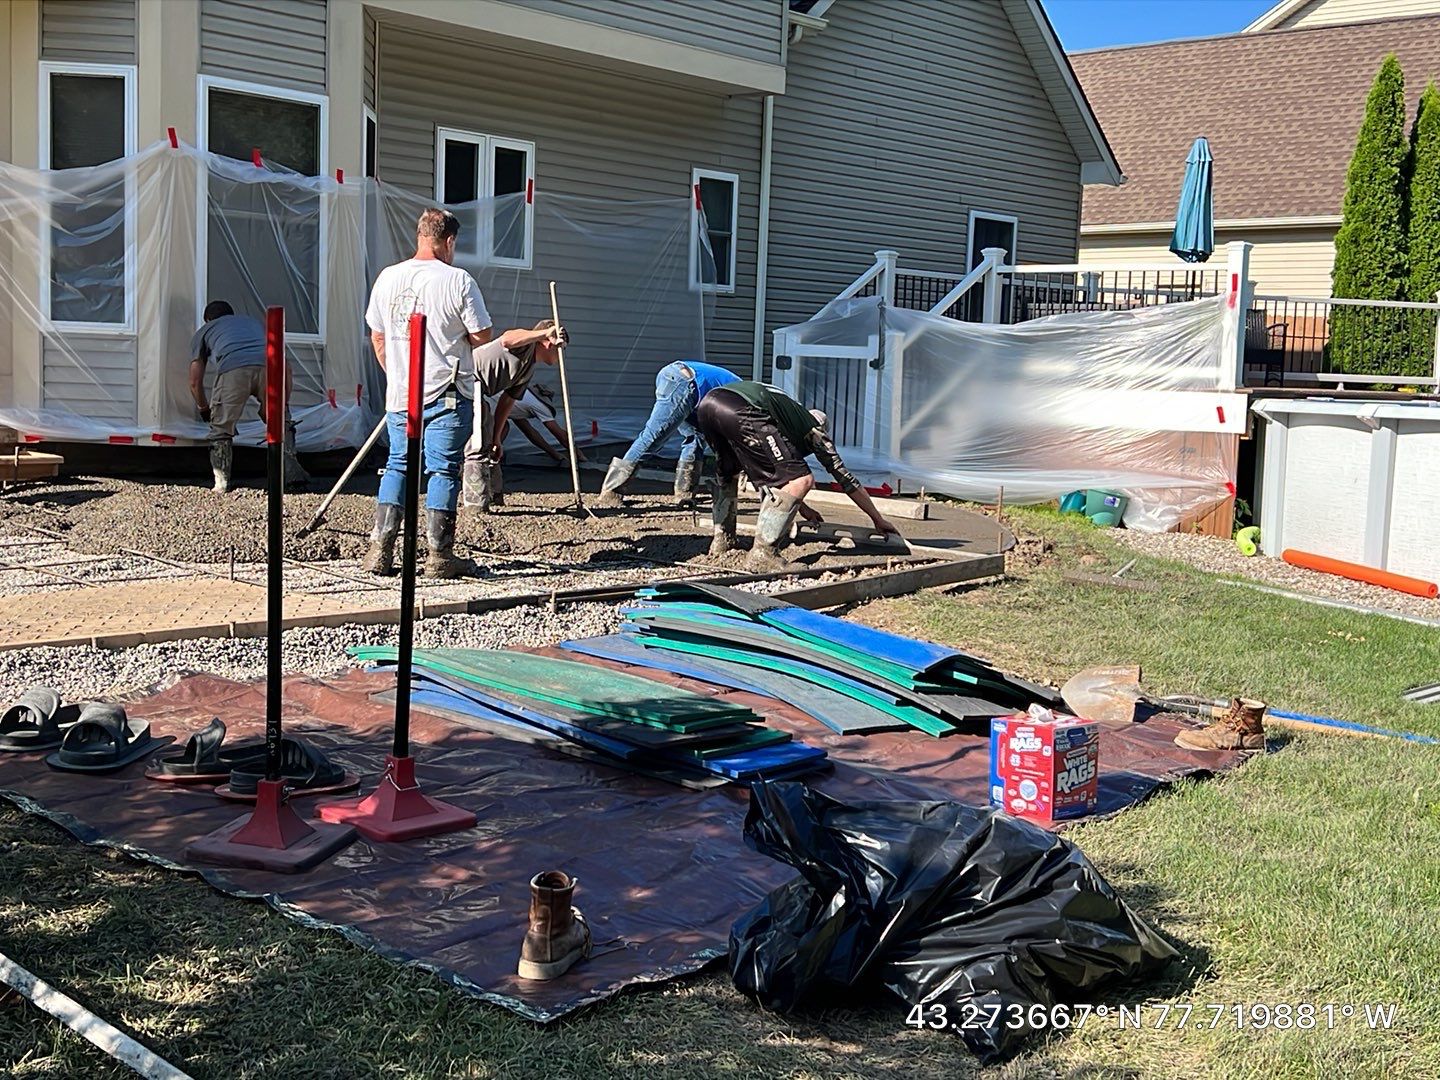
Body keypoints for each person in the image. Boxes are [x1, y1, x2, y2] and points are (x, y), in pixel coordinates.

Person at [363, 207, 494, 578]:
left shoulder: (388, 278)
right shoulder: (458, 281)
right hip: (448, 390)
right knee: (443, 471)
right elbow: (482, 335)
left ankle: (380, 552)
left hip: (402, 395)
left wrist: (399, 373)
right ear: (448, 241)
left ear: (420, 236)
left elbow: (377, 334)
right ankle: (439, 557)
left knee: (399, 466)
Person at [695, 380, 899, 570]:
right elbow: (845, 478)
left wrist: (802, 507)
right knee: (803, 480)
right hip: (741, 409)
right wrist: (877, 519)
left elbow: (771, 482)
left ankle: (723, 543)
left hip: (708, 405)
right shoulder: (813, 428)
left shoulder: (787, 415)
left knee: (729, 473)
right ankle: (763, 554)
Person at [188, 300, 309, 494]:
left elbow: (195, 380)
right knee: (280, 424)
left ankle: (222, 484)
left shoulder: (205, 330)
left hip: (233, 370)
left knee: (221, 429)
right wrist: (279, 405)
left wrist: (204, 408)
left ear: (208, 319)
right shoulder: (253, 324)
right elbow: (286, 367)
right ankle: (291, 476)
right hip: (270, 367)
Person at [596, 360, 740, 508]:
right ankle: (611, 491)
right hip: (683, 381)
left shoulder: (743, 393)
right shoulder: (745, 401)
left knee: (696, 436)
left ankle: (685, 494)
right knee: (654, 436)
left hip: (687, 384)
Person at [463, 322, 568, 511]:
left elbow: (507, 402)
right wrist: (545, 332)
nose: (561, 355)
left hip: (480, 392)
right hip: (466, 381)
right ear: (548, 343)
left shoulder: (527, 369)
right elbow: (507, 338)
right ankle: (475, 503)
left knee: (491, 442)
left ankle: (494, 496)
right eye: (560, 348)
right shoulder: (524, 346)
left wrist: (497, 439)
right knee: (478, 442)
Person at [479, 383, 586, 506]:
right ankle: (484, 479)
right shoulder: (540, 405)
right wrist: (579, 455)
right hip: (483, 406)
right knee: (492, 441)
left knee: (502, 430)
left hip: (483, 403)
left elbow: (530, 432)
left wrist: (554, 453)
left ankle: (489, 479)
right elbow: (561, 435)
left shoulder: (521, 399)